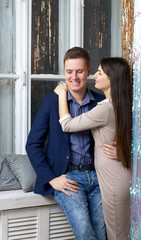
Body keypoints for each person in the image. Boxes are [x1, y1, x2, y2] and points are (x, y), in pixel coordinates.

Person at [26, 47, 117, 240]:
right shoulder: (51, 101)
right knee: (84, 232)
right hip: (67, 178)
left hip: (99, 177)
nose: (74, 77)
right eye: (69, 72)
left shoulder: (101, 101)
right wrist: (52, 179)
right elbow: (33, 145)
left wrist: (120, 149)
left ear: (88, 71)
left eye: (79, 71)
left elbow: (118, 134)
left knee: (102, 233)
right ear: (64, 72)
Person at [54, 57, 132, 240]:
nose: (94, 76)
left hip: (113, 181)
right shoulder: (122, 104)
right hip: (119, 175)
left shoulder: (104, 109)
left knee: (116, 235)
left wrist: (61, 94)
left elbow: (67, 125)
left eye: (99, 72)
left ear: (111, 79)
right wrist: (126, 152)